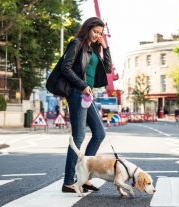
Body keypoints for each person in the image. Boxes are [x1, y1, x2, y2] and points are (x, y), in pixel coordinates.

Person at [61, 17, 112, 193]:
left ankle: (85, 176)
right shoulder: (77, 43)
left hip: (87, 94)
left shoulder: (94, 48)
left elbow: (107, 69)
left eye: (100, 32)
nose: (97, 35)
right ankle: (68, 181)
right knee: (78, 137)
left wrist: (105, 47)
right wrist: (82, 86)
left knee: (99, 133)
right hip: (77, 92)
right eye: (95, 31)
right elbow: (65, 68)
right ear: (87, 29)